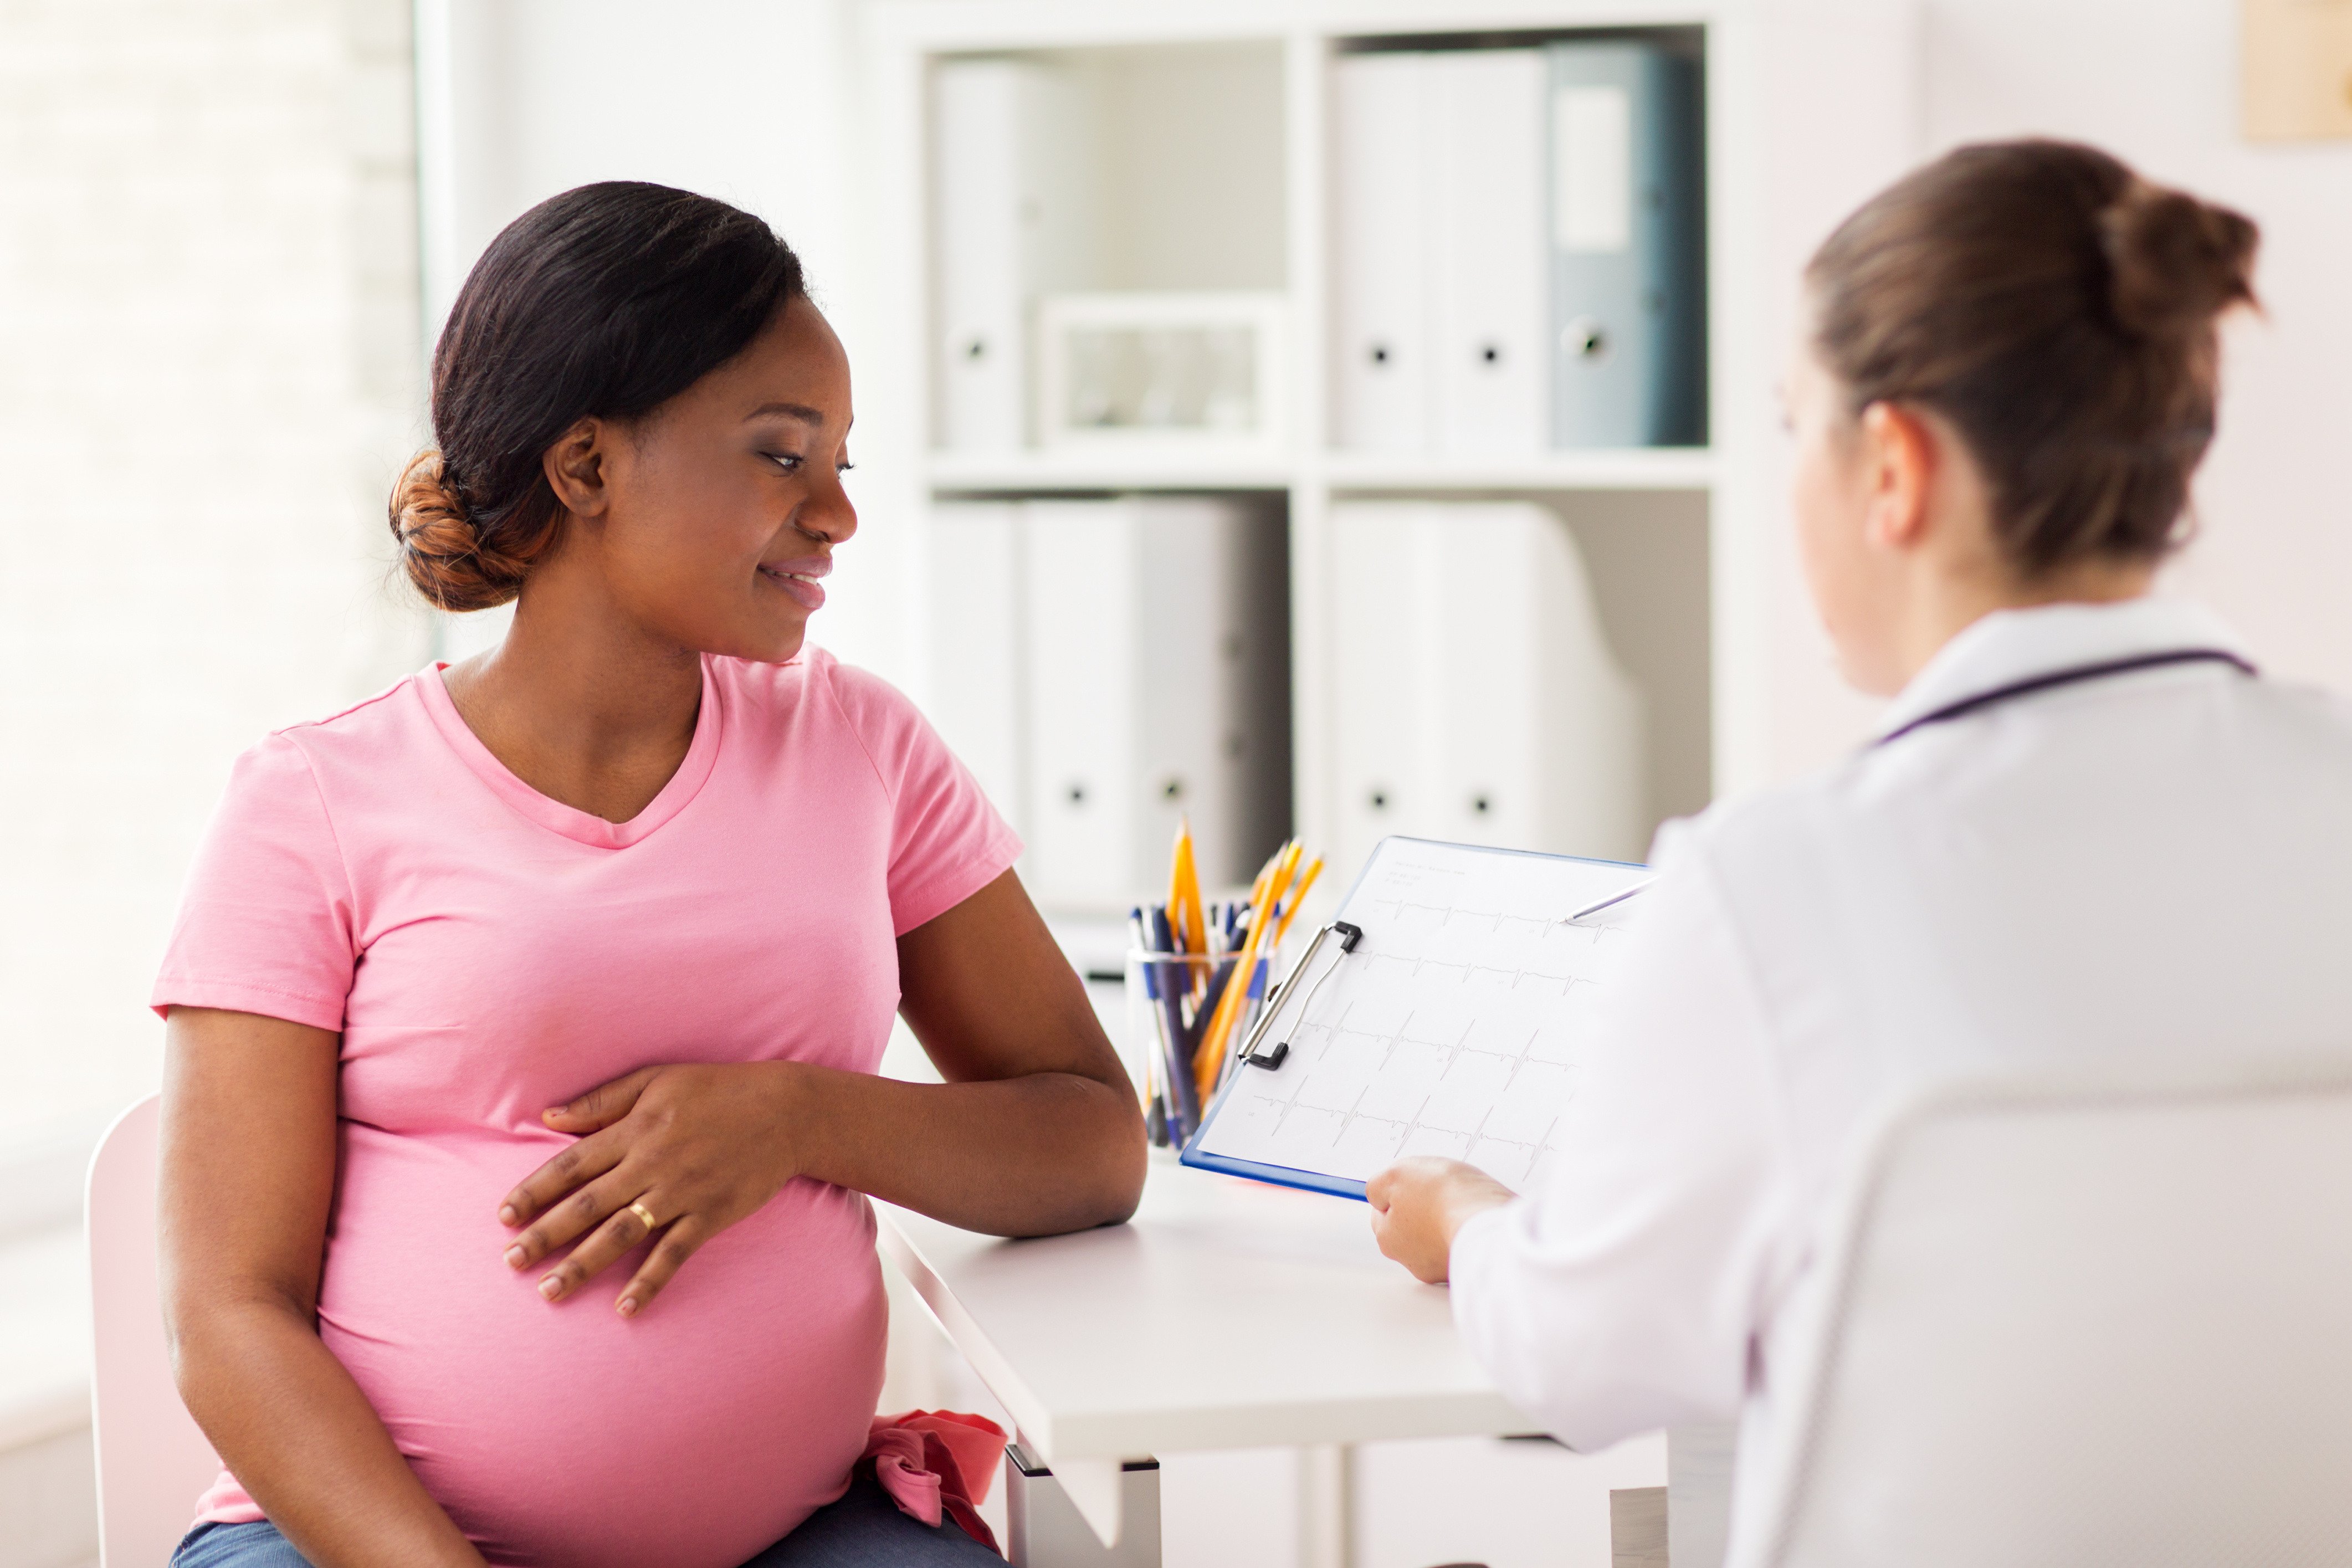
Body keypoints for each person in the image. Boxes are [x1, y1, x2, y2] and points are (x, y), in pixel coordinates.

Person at [1366, 139, 2352, 1543]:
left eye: (1789, 422)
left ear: (1889, 465)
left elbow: (1583, 1362)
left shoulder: (1767, 888)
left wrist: (1468, 1223)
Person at [155, 182, 1146, 1568]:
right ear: (586, 468)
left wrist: (800, 1117)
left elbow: (1093, 1144)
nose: (837, 516)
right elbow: (227, 1312)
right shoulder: (313, 799)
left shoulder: (860, 746)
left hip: (795, 1539)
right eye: (782, 456)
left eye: (844, 461)